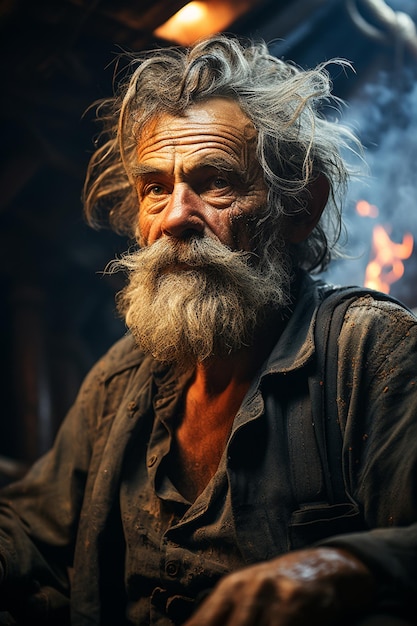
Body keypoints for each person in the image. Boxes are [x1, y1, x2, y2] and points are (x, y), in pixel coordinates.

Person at [0, 34, 416, 626]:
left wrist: (344, 567)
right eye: (155, 188)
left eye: (215, 181)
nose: (175, 216)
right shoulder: (123, 380)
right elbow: (33, 526)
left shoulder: (371, 352)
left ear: (298, 209)